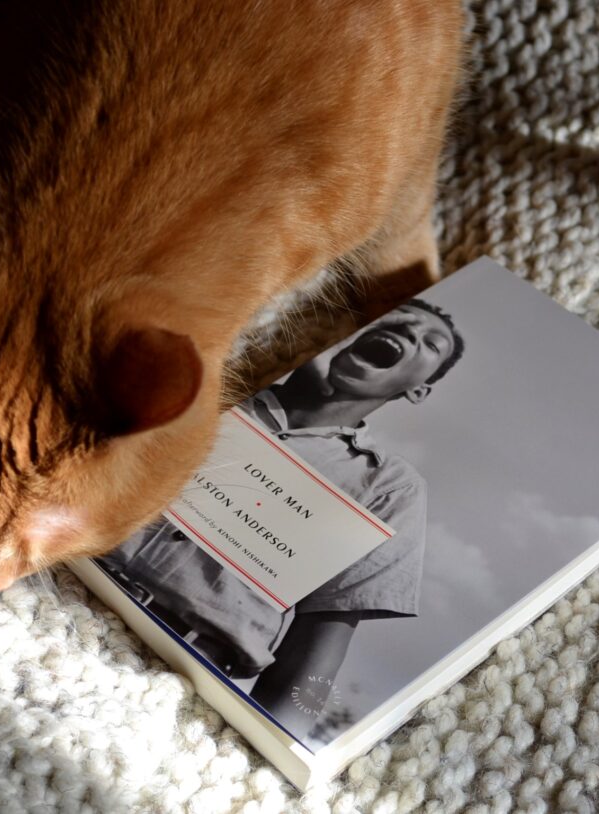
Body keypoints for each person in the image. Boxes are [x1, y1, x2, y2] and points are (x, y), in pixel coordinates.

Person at [99, 299, 465, 739]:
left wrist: (272, 745)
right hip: (68, 574)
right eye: (394, 317)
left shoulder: (387, 486)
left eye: (431, 343)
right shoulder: (218, 371)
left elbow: (318, 649)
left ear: (419, 389)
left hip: (177, 675)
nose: (408, 329)